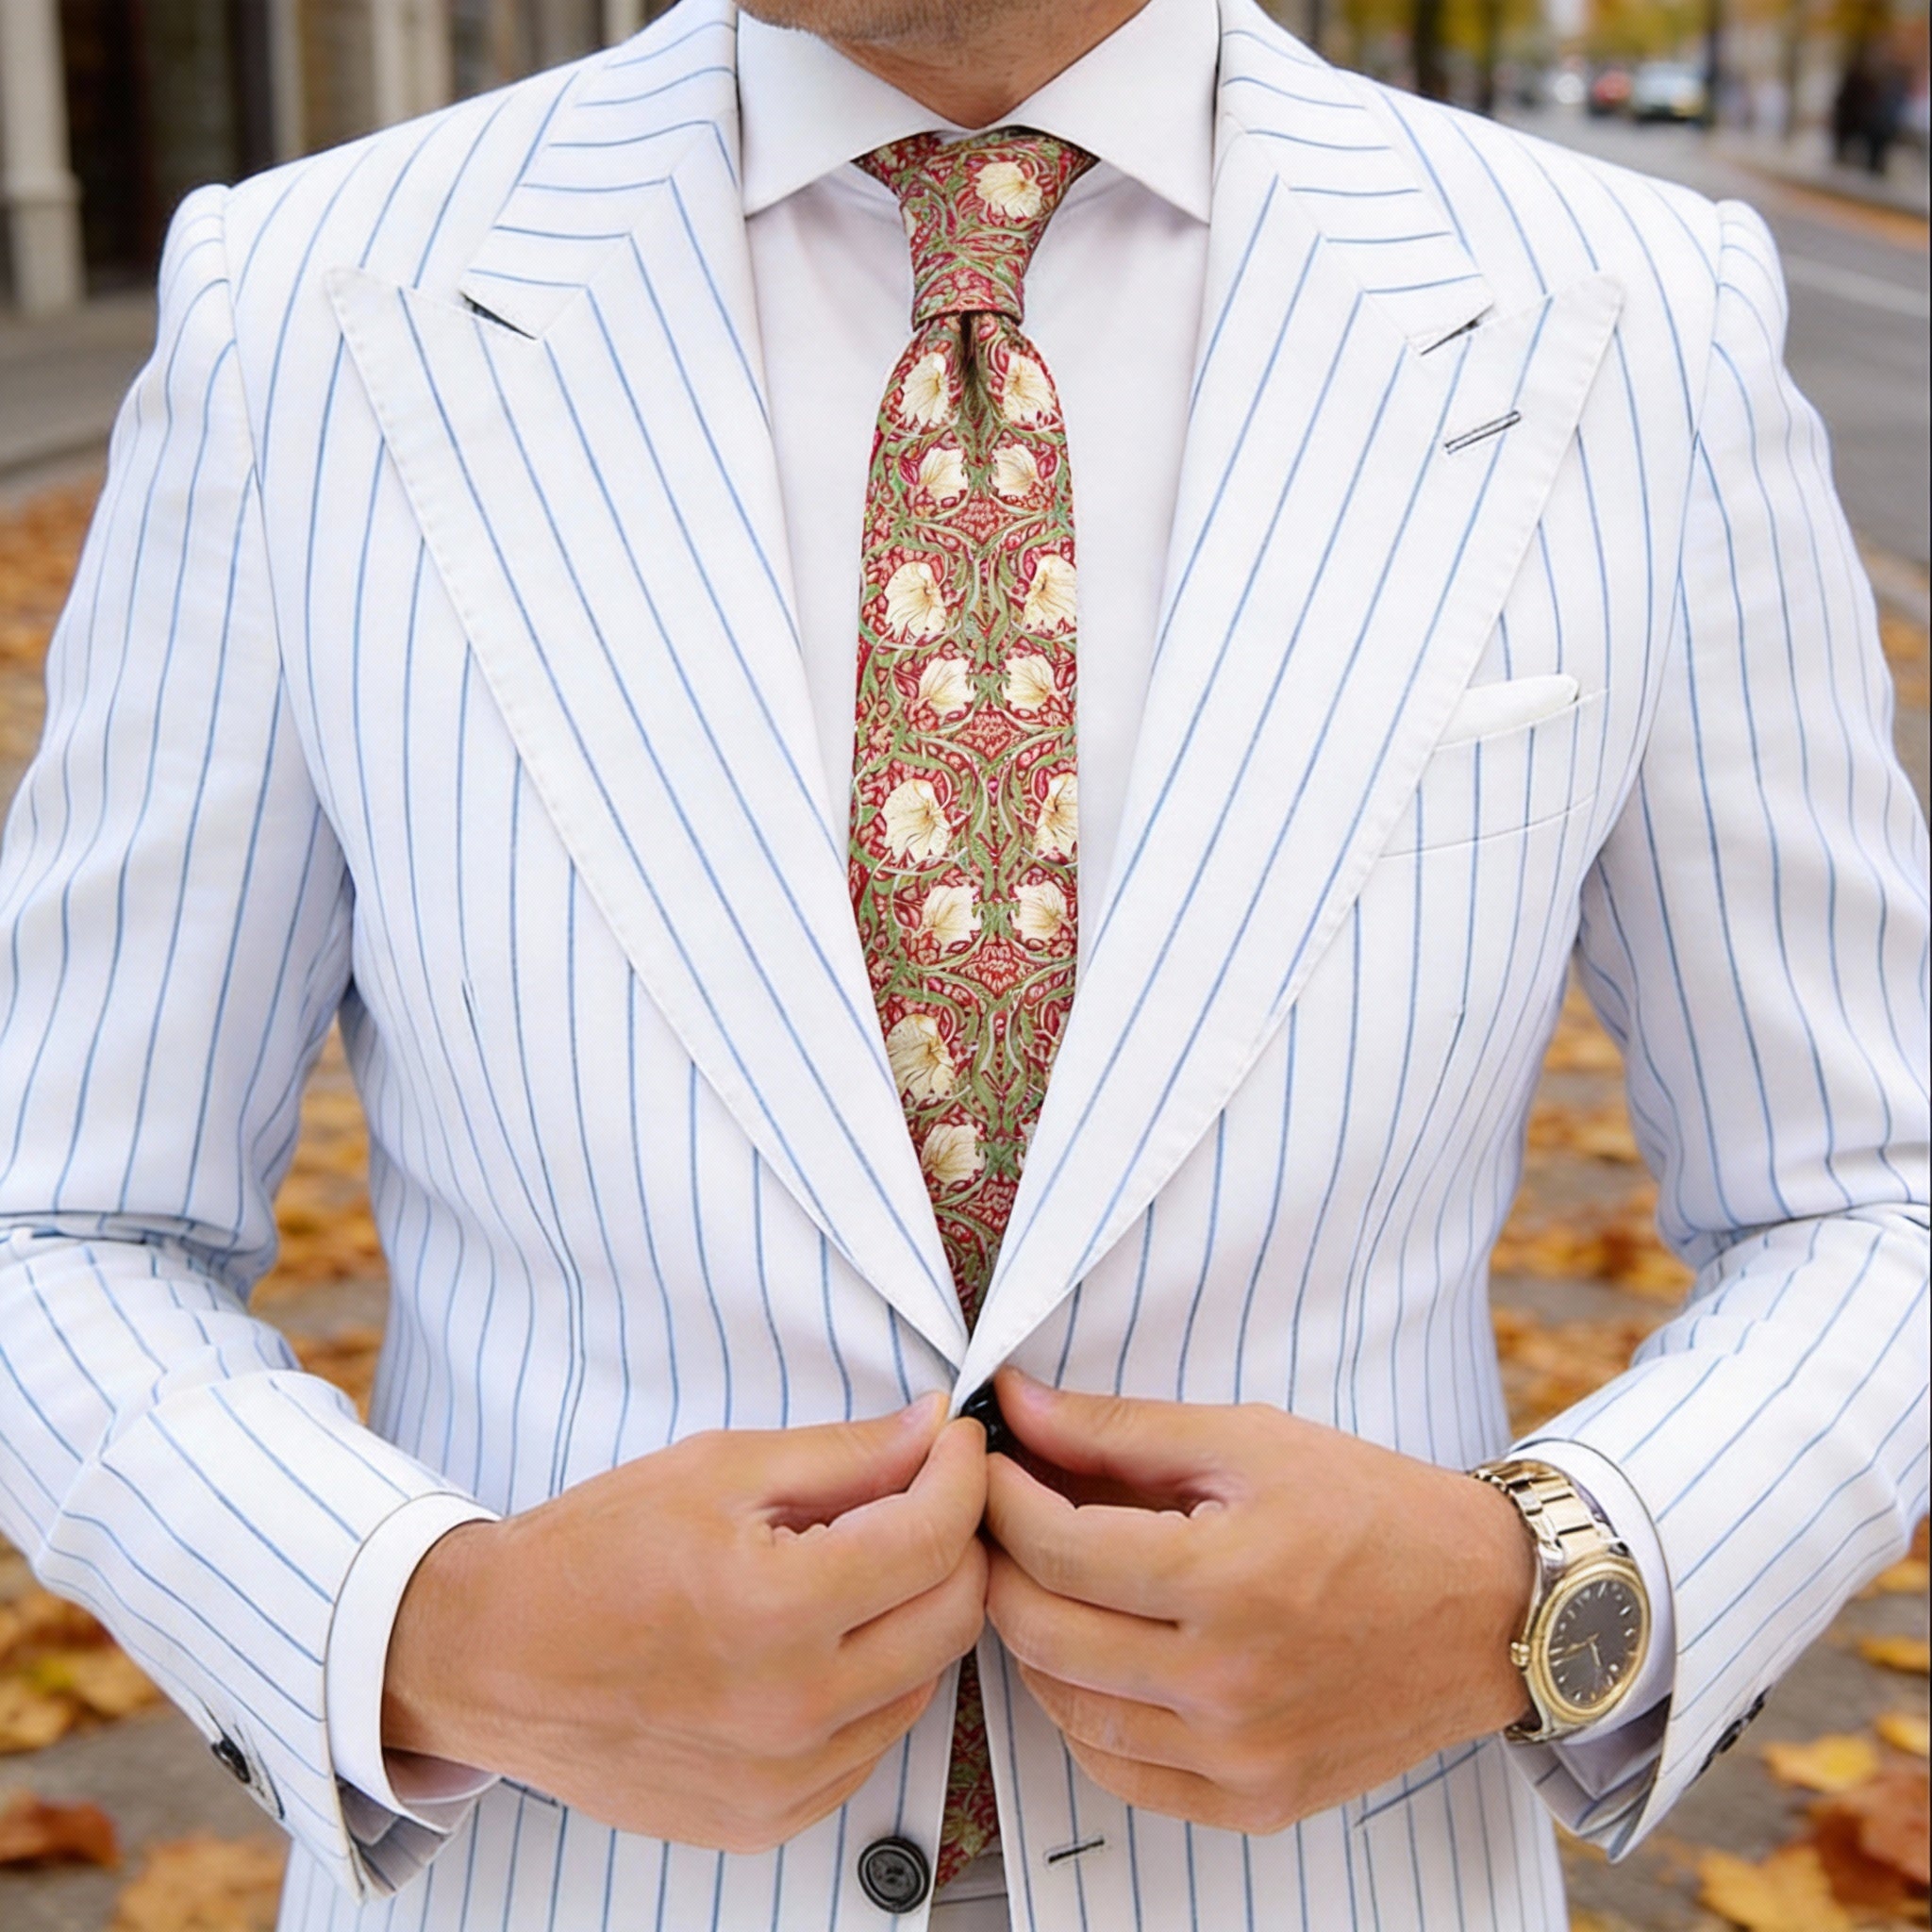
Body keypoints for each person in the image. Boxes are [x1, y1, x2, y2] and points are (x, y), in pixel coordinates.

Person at [0, 0, 1924, 1925]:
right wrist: (426, 1630)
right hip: (561, 1872)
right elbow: (57, 1218)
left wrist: (1549, 1592)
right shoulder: (311, 307)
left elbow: (1871, 1196)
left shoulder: (1629, 314)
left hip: (1338, 1874)